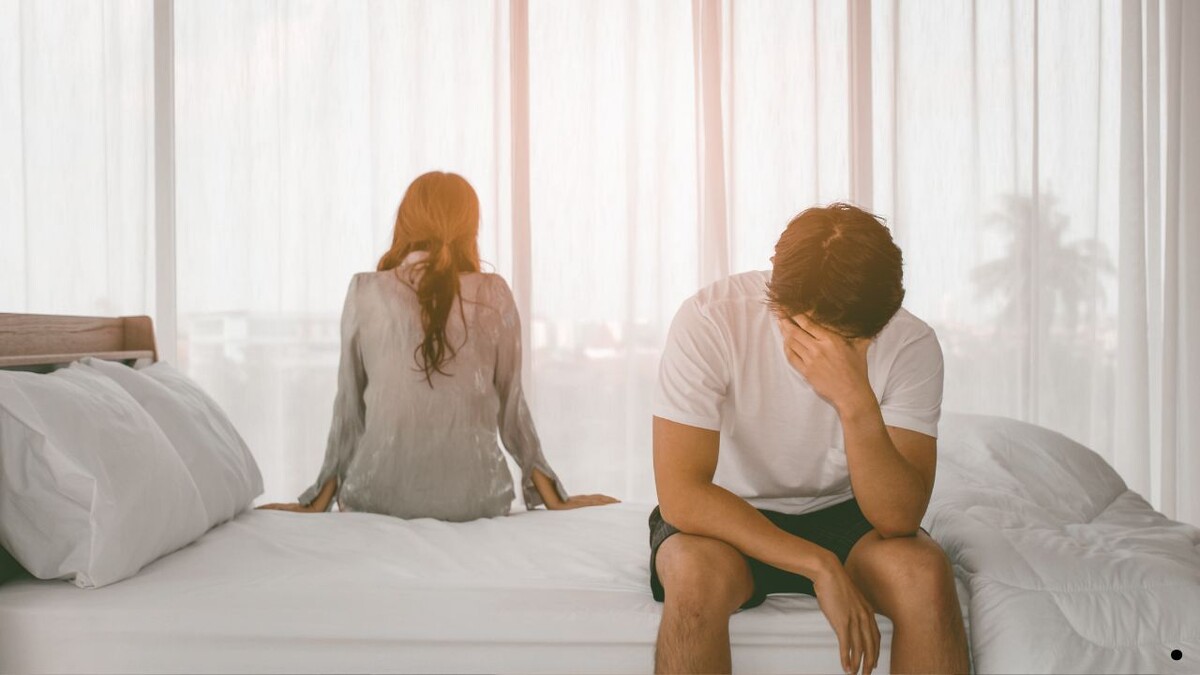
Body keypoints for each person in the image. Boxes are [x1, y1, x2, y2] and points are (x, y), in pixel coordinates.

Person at [649, 203, 969, 674]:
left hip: (847, 512)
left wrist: (855, 400)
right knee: (693, 578)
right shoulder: (710, 318)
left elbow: (899, 519)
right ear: (776, 288)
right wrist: (819, 566)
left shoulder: (910, 342)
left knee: (924, 575)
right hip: (727, 513)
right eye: (806, 326)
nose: (823, 346)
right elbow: (681, 495)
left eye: (848, 338)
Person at [260, 171, 617, 521]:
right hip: (476, 499)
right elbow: (513, 407)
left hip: (377, 496)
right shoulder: (493, 292)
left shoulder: (364, 291)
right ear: (470, 229)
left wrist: (319, 499)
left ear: (405, 222)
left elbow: (349, 407)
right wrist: (554, 498)